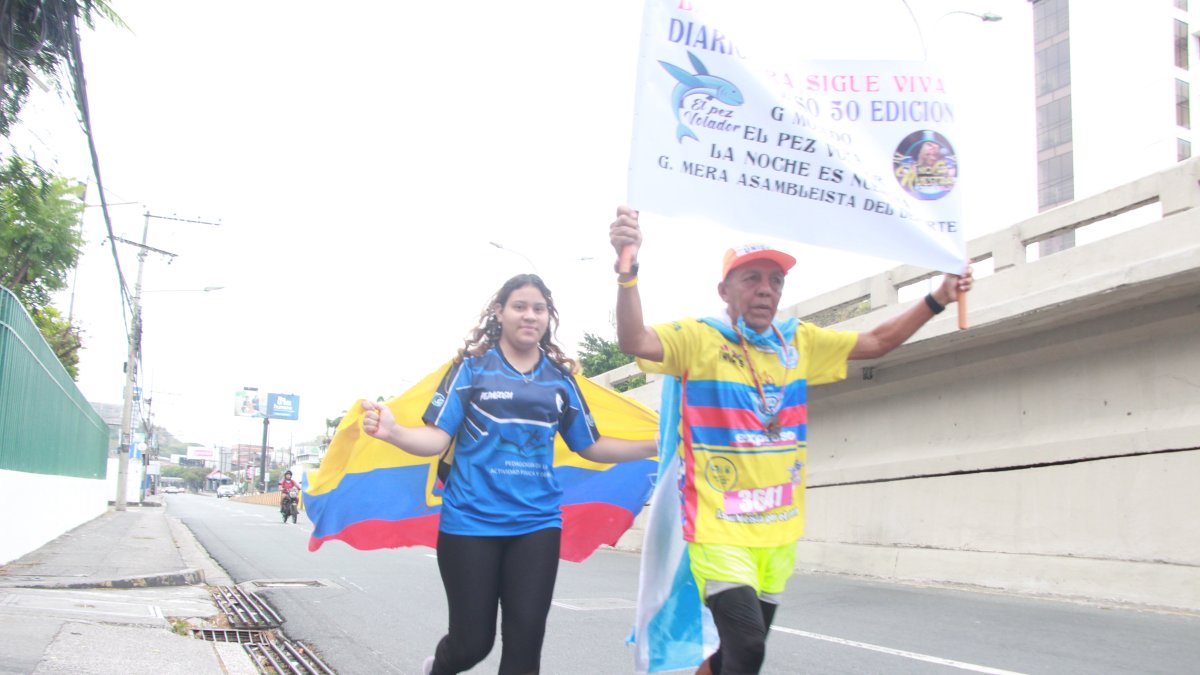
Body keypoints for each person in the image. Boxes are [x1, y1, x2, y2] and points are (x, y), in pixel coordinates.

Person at [608, 206, 972, 675]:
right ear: (724, 290)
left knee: (732, 655)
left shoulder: (797, 343)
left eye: (775, 281)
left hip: (779, 530)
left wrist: (938, 296)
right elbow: (633, 339)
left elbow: (877, 342)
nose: (766, 289)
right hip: (720, 529)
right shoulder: (698, 339)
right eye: (752, 278)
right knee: (748, 646)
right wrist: (627, 269)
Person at [360, 273, 657, 675]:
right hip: (469, 523)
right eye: (520, 306)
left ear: (549, 317)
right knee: (472, 644)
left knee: (524, 647)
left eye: (539, 308)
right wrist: (392, 432)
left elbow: (590, 445)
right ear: (499, 312)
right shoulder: (472, 370)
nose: (530, 315)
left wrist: (655, 445)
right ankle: (439, 668)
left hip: (537, 524)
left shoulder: (560, 380)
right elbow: (435, 438)